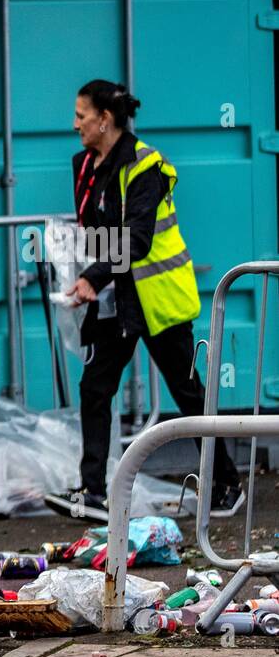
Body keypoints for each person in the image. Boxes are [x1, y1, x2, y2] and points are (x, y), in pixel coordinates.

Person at [43, 80, 243, 521]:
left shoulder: (145, 166)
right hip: (116, 300)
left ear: (105, 120)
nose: (75, 124)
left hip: (156, 298)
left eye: (81, 116)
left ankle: (228, 483)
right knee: (95, 388)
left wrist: (93, 275)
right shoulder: (86, 165)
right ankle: (93, 490)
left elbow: (136, 238)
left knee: (188, 393)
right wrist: (78, 271)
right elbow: (95, 231)